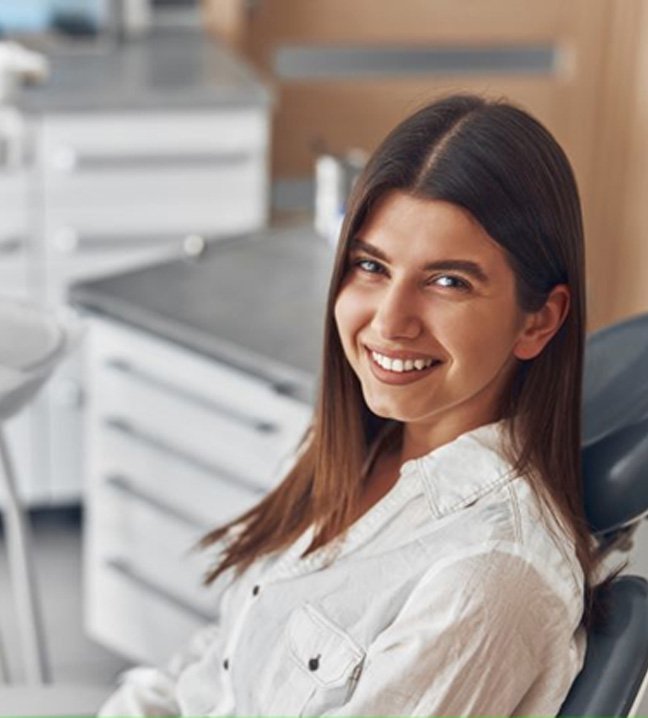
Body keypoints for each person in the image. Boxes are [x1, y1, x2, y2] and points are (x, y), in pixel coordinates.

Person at [98, 94, 605, 717]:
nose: (389, 323)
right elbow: (216, 668)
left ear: (540, 320)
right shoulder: (361, 449)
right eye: (371, 266)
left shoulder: (489, 576)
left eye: (449, 281)